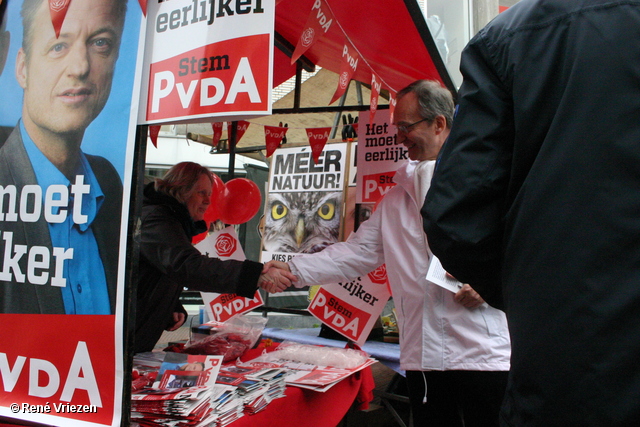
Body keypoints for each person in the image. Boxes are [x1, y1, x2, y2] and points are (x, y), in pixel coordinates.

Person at [422, 1, 640, 426]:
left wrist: (534, 289)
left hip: (569, 369)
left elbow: (454, 216)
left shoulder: (511, 38)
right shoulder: (509, 40)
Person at [266, 80, 511, 427]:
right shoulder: (395, 199)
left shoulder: (488, 181)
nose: (399, 137)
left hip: (484, 354)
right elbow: (354, 254)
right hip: (424, 355)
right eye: (396, 128)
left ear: (439, 124)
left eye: (406, 127)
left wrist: (493, 282)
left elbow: (525, 247)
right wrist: (293, 268)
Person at [0, 0, 128, 314]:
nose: (80, 67)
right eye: (59, 46)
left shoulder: (107, 182)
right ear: (23, 68)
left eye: (101, 43)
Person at [135, 162, 295, 354]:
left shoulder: (168, 219)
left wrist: (170, 305)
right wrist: (255, 275)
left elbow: (159, 270)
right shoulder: (155, 218)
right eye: (201, 193)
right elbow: (187, 266)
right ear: (180, 190)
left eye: (209, 194)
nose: (208, 201)